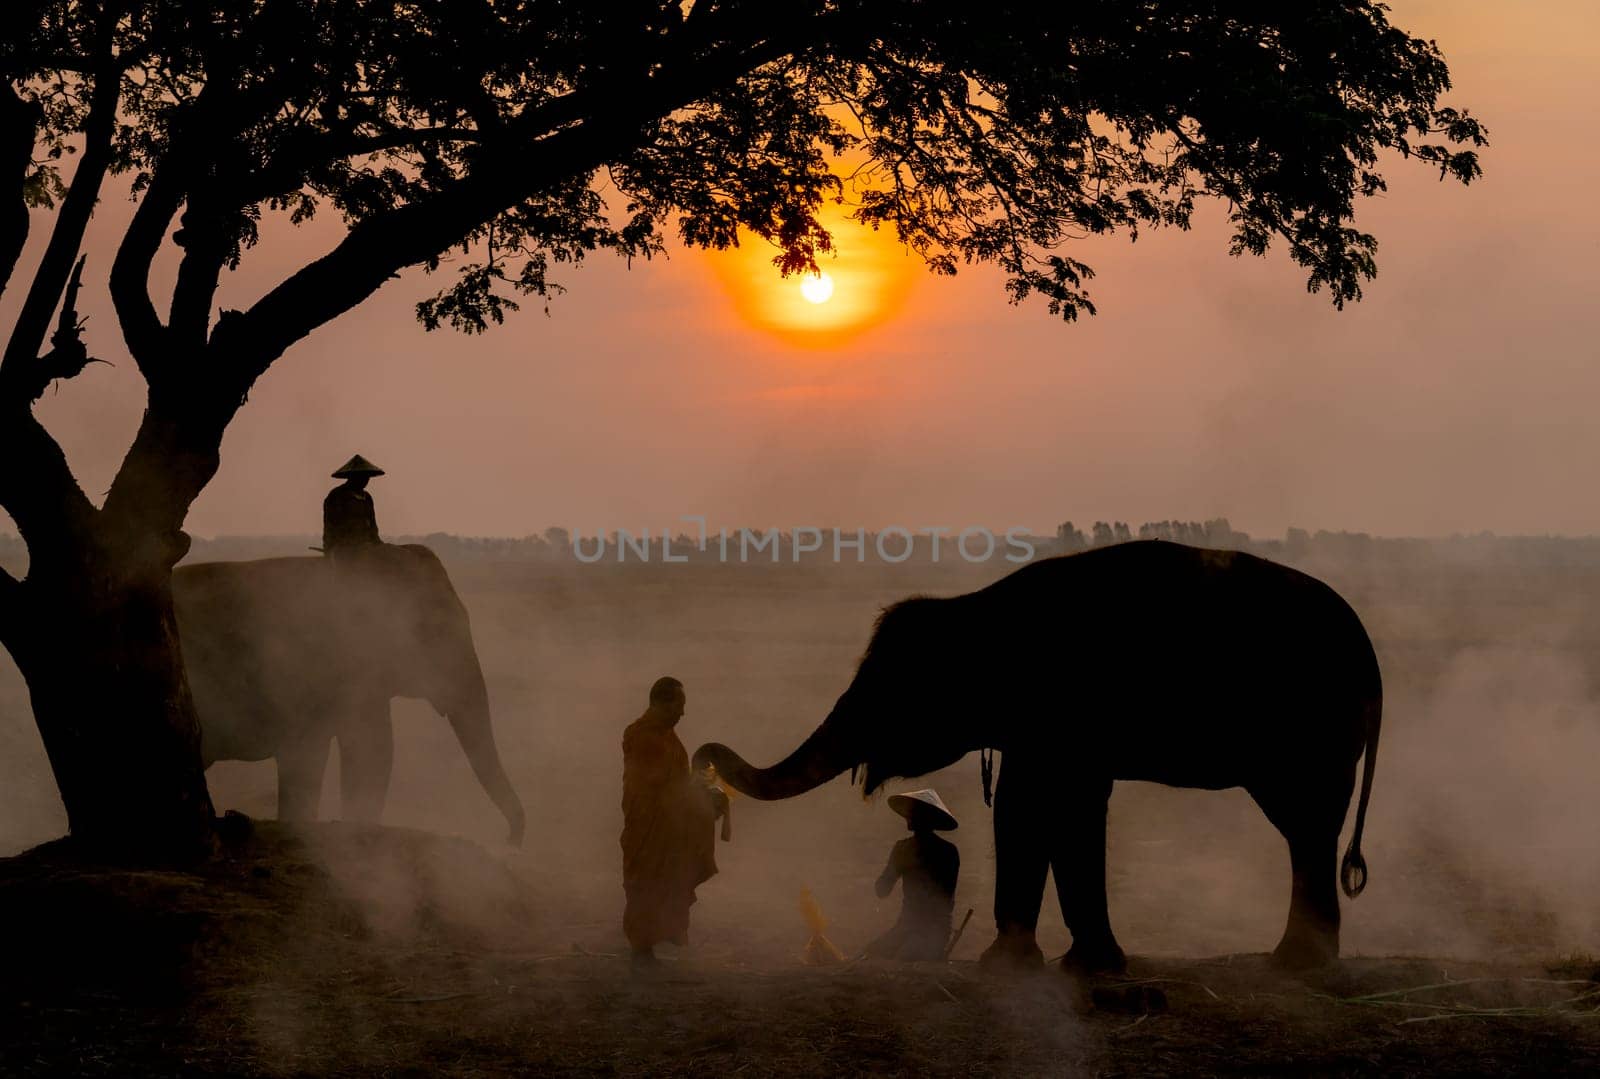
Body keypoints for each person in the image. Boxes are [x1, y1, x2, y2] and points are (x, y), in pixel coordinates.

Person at [620, 676, 728, 964]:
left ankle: (670, 934)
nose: (683, 713)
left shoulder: (667, 735)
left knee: (673, 877)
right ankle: (642, 950)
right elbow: (659, 785)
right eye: (679, 706)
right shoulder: (644, 737)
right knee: (647, 883)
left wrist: (704, 792)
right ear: (661, 704)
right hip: (648, 828)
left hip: (671, 826)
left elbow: (678, 782)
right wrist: (699, 796)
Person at [865, 788, 960, 961]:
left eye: (913, 813)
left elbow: (882, 890)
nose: (908, 816)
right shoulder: (947, 851)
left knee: (901, 959)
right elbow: (882, 890)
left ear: (927, 818)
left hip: (932, 929)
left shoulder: (908, 849)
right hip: (909, 926)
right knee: (871, 954)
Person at [322, 455, 384, 558]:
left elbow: (373, 526)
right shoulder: (337, 495)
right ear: (352, 477)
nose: (365, 480)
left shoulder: (367, 497)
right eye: (362, 476)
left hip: (368, 547)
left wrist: (377, 543)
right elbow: (333, 527)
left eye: (367, 476)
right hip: (343, 548)